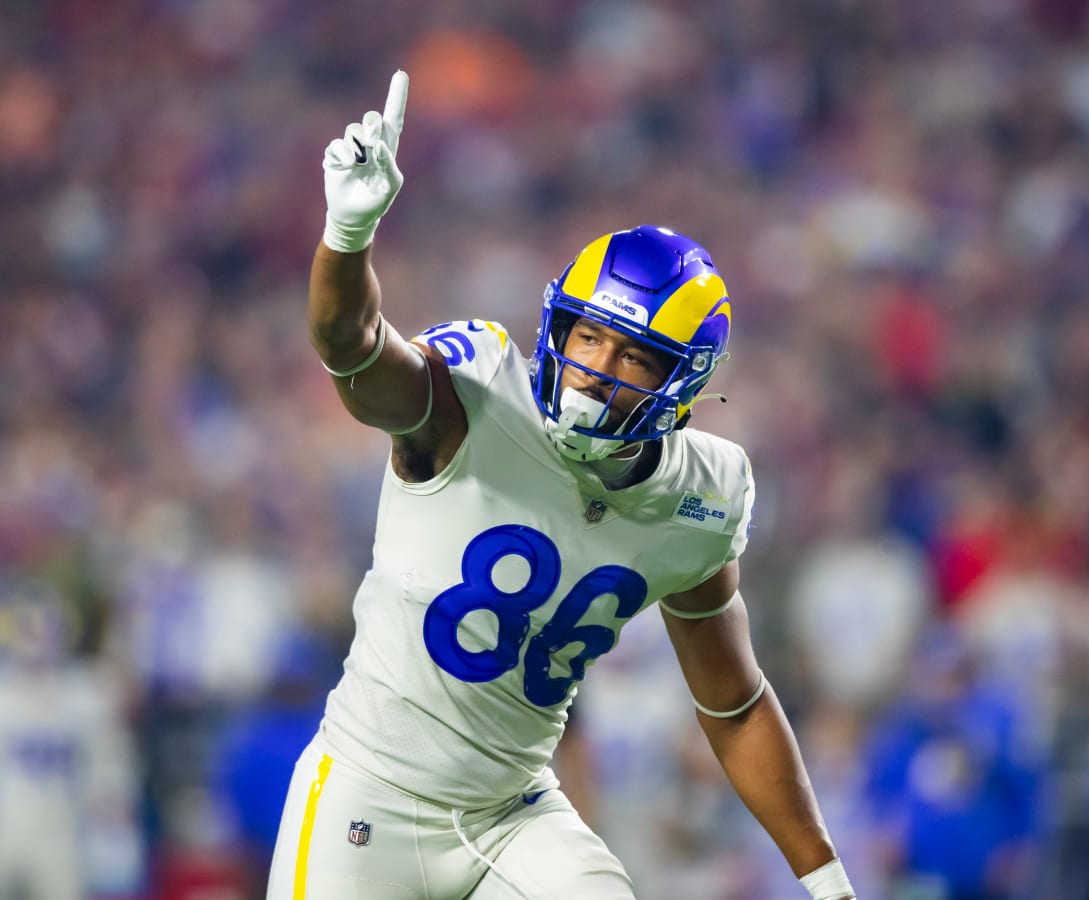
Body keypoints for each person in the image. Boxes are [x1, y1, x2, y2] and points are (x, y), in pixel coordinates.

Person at [266, 70, 855, 900]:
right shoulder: (476, 398)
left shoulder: (702, 498)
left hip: (516, 811)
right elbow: (353, 347)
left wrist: (824, 876)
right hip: (370, 792)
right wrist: (347, 234)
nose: (593, 372)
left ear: (680, 388)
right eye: (586, 338)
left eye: (634, 357)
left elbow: (734, 703)